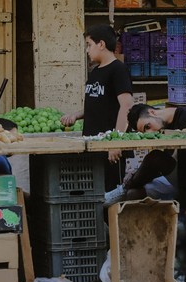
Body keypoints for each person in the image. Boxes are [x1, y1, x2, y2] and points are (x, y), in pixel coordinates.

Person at [60, 24, 134, 191]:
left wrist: (116, 142)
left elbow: (127, 106)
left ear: (101, 44)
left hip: (110, 150)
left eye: (89, 45)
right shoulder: (95, 72)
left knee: (111, 195)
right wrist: (76, 115)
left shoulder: (118, 70)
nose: (87, 50)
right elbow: (98, 103)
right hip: (93, 146)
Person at [103, 104, 186, 206]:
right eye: (145, 131)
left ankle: (123, 189)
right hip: (180, 175)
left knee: (155, 157)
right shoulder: (164, 125)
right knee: (133, 194)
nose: (149, 133)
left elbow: (178, 163)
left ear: (152, 112)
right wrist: (137, 173)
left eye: (147, 126)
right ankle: (124, 191)